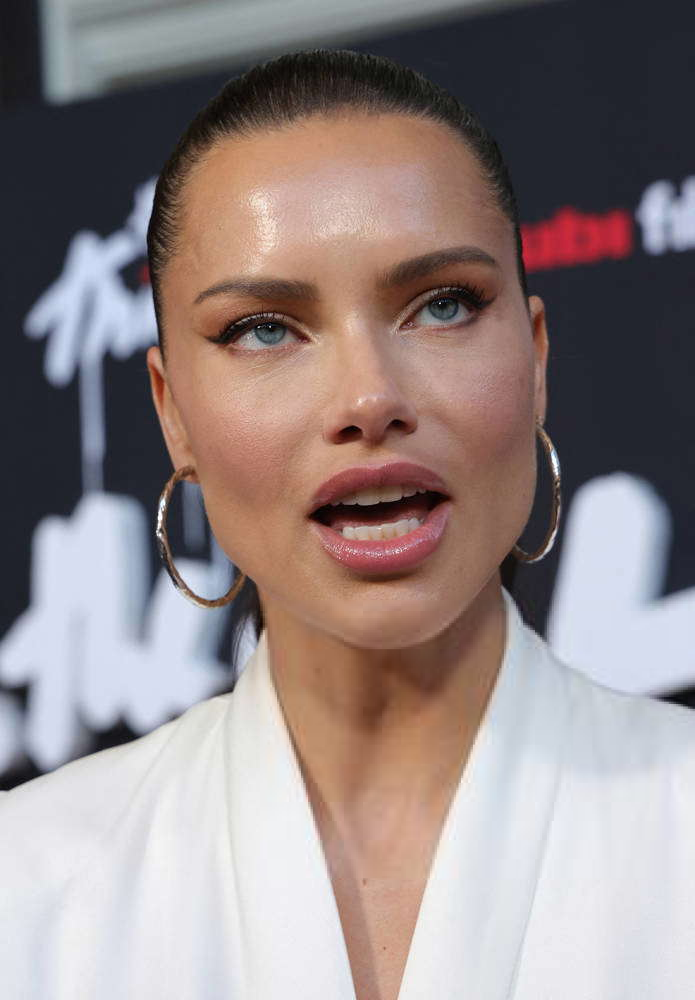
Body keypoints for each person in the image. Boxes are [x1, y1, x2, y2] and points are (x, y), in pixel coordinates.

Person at [2, 48, 695, 1000]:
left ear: (535, 358)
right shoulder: (29, 887)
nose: (369, 398)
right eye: (263, 328)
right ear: (172, 412)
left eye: (441, 306)